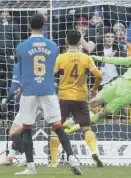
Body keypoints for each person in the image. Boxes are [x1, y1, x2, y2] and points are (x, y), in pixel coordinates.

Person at [14, 14, 82, 175]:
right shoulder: (53, 46)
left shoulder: (21, 47)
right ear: (44, 27)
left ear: (29, 26)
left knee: (27, 128)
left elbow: (22, 72)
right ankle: (71, 158)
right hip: (48, 90)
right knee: (57, 126)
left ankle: (31, 167)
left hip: (29, 91)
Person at [51, 31, 103, 168]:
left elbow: (50, 74)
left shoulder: (60, 58)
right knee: (86, 127)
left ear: (66, 41)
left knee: (55, 127)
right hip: (80, 97)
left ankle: (53, 161)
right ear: (80, 42)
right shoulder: (86, 58)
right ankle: (94, 152)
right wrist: (94, 89)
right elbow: (99, 75)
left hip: (64, 97)